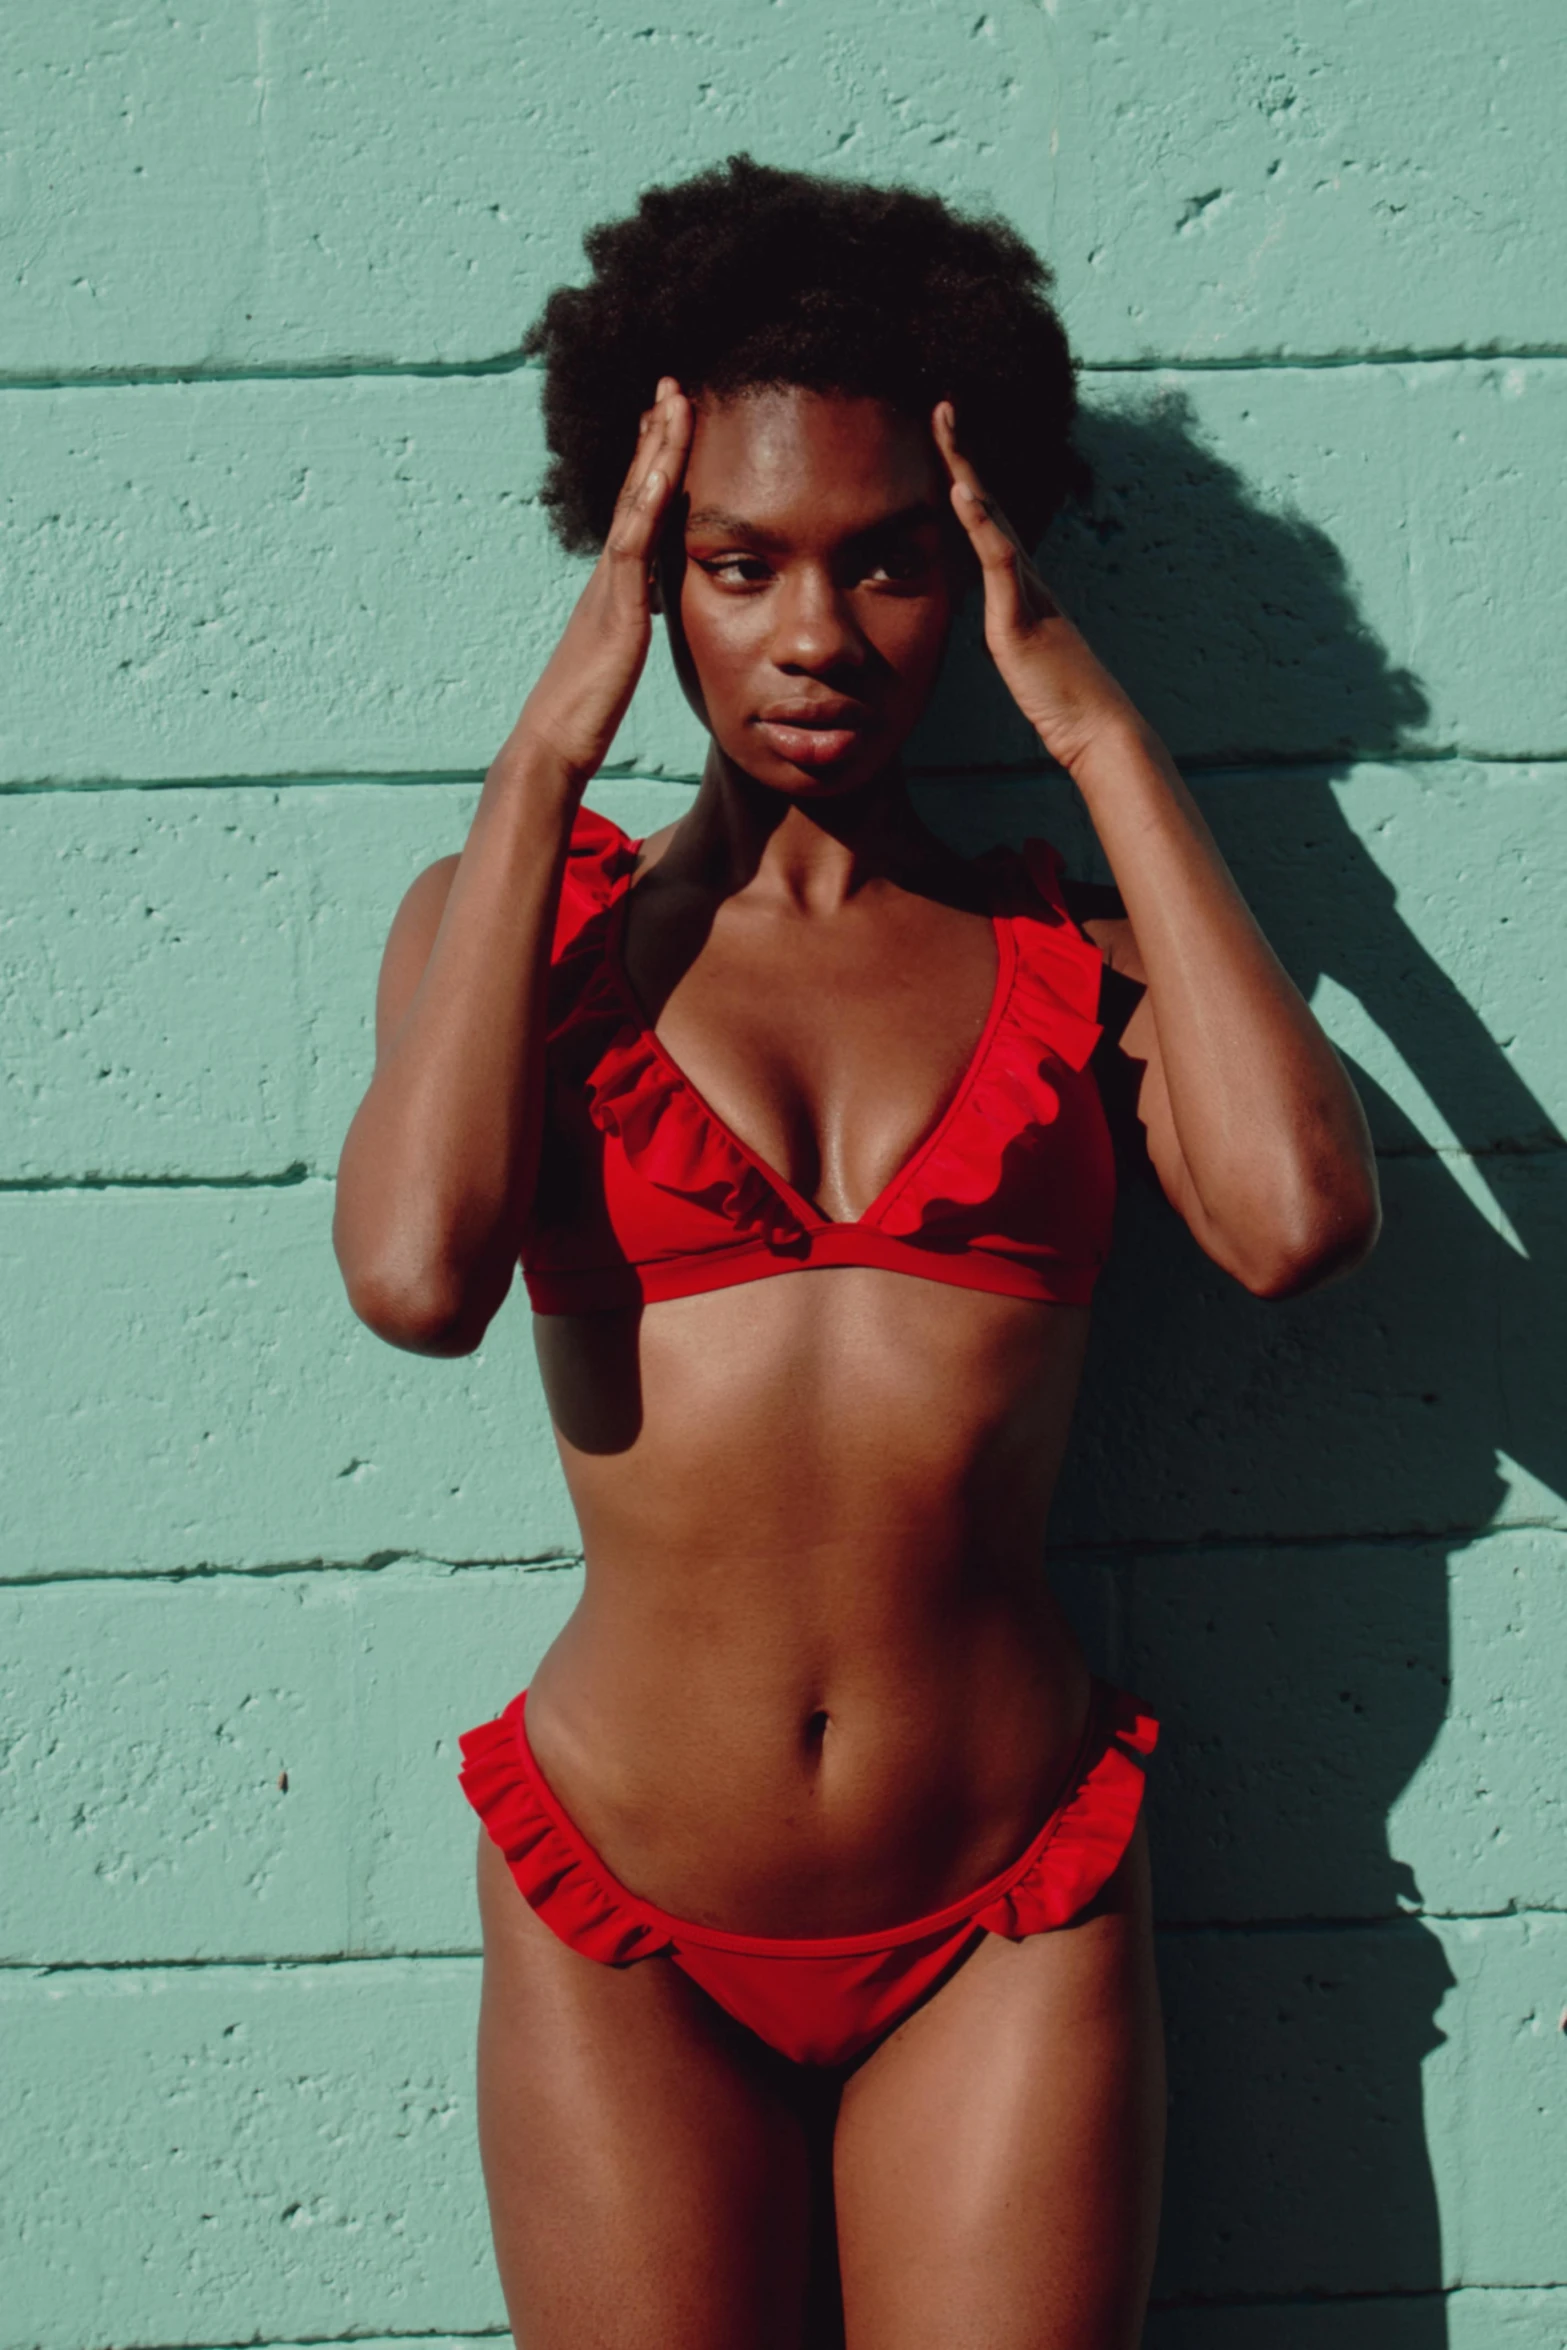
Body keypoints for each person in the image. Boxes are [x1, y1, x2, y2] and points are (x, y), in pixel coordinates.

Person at [333, 156, 1380, 2350]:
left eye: (888, 560)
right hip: (623, 1911)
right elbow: (419, 1275)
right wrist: (554, 729)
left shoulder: (1066, 946)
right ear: (650, 574)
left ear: (974, 558)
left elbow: (1298, 1219)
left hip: (1008, 1902)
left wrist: (1094, 722)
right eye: (738, 563)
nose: (815, 635)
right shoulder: (510, 930)